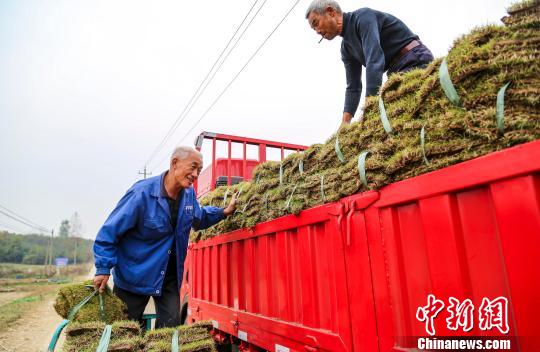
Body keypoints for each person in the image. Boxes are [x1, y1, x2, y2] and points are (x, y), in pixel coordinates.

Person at [93, 146, 236, 328]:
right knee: (125, 332)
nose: (195, 174)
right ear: (174, 163)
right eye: (192, 167)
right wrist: (103, 268)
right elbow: (110, 232)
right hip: (134, 276)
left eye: (199, 170)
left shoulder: (188, 195)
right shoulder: (141, 193)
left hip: (168, 277)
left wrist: (224, 212)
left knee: (170, 331)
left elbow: (199, 218)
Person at [305, 0, 434, 124]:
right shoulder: (346, 48)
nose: (317, 31)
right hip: (395, 72)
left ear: (331, 12)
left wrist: (369, 106)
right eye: (313, 29)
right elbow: (353, 87)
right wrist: (345, 125)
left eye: (316, 23)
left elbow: (375, 60)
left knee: (407, 112)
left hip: (414, 57)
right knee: (393, 114)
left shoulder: (363, 17)